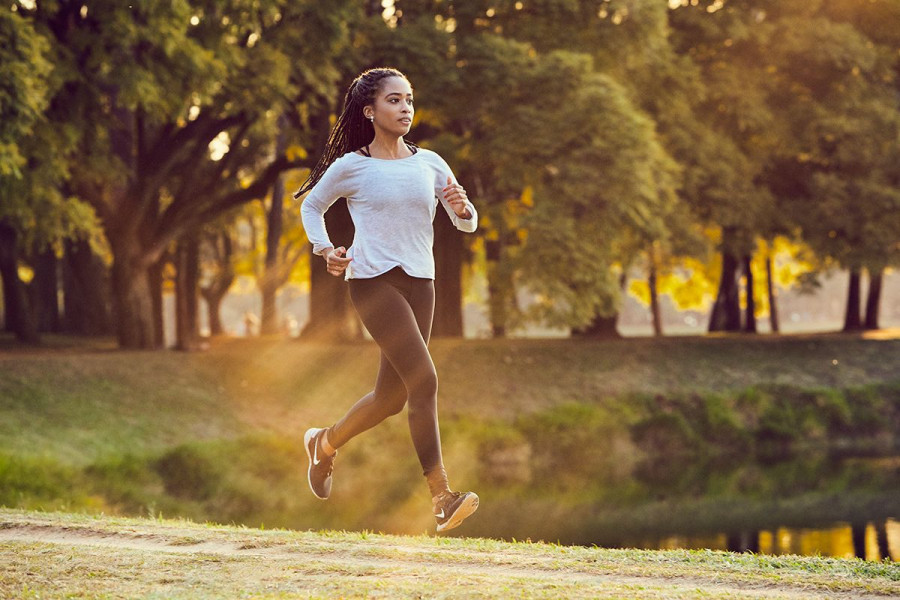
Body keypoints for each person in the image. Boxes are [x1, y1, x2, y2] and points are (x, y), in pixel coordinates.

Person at [295, 67, 479, 532]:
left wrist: (462, 208)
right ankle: (441, 496)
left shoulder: (431, 163)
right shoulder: (352, 166)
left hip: (422, 282)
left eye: (409, 100)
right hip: (373, 281)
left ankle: (325, 443)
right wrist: (324, 248)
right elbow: (312, 205)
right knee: (425, 380)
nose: (405, 109)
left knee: (391, 398)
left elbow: (466, 223)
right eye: (394, 101)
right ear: (370, 111)